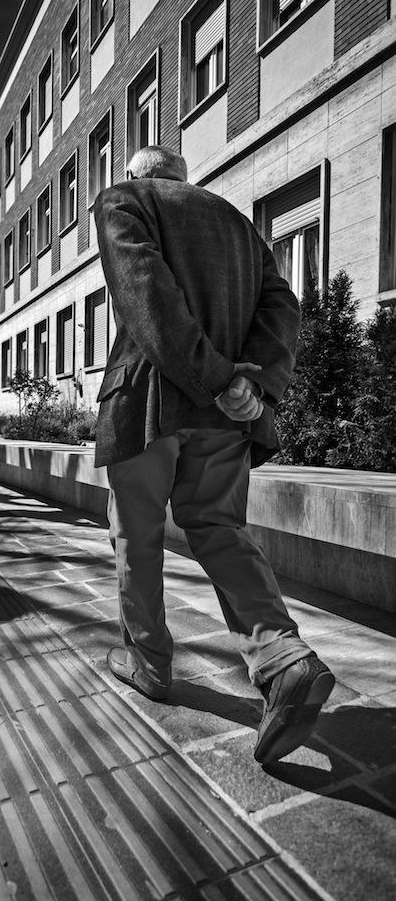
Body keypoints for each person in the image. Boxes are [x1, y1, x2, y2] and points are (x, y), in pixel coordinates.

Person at [93, 145, 334, 765]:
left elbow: (145, 294)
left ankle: (148, 662)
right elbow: (284, 306)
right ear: (184, 179)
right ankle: (283, 659)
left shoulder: (125, 200)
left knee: (137, 533)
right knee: (221, 529)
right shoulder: (239, 225)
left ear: (138, 175)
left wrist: (217, 377)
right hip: (227, 418)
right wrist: (254, 384)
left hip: (148, 402)